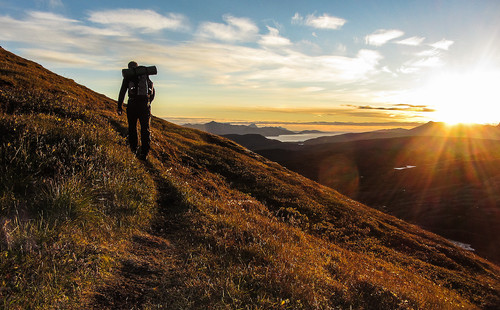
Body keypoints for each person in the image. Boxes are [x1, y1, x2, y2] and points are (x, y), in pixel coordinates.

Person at [117, 61, 155, 160]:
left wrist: (119, 107)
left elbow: (122, 92)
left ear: (129, 68)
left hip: (132, 105)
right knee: (145, 129)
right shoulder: (144, 75)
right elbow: (152, 90)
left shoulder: (128, 77)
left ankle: (133, 150)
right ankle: (144, 153)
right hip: (144, 105)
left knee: (132, 128)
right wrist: (148, 102)